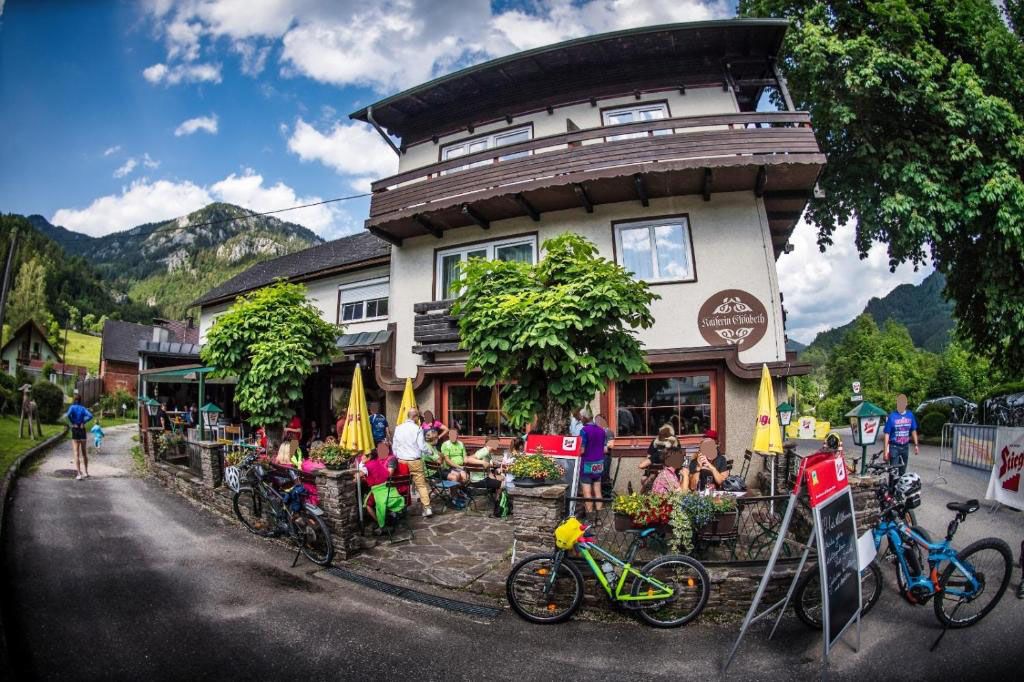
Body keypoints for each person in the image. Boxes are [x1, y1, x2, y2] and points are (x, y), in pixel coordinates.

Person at [391, 408, 433, 517]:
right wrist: (430, 452)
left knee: (402, 485)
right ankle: (427, 508)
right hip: (415, 461)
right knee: (421, 486)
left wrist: (397, 457)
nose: (419, 419)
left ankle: (400, 508)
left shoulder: (398, 428)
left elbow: (394, 446)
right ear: (414, 417)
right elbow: (422, 446)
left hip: (402, 461)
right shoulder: (417, 429)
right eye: (418, 417)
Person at [359, 445, 403, 529]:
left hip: (386, 491)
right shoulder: (377, 461)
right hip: (389, 489)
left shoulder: (391, 459)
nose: (361, 456)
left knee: (367, 503)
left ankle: (380, 523)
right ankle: (386, 517)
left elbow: (389, 474)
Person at [578, 409, 606, 514]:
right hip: (599, 464)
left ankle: (590, 516)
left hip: (587, 465)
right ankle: (599, 517)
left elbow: (582, 450)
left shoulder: (584, 430)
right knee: (598, 490)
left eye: (581, 417)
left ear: (585, 418)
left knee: (587, 492)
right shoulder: (601, 430)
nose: (580, 419)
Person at [884, 394, 919, 476]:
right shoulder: (892, 416)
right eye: (899, 403)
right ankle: (892, 488)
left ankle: (900, 488)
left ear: (906, 404)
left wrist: (916, 445)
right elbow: (887, 434)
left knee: (903, 471)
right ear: (897, 404)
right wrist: (885, 451)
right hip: (894, 447)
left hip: (905, 447)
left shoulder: (910, 415)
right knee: (893, 471)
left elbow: (913, 430)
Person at [66, 396, 93, 480]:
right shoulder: (83, 408)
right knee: (84, 453)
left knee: (76, 453)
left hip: (75, 429)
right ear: (81, 401)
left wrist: (73, 422)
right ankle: (86, 472)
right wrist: (84, 422)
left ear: (74, 400)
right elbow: (90, 416)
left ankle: (78, 474)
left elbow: (68, 415)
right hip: (82, 429)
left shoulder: (72, 407)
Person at [595, 414, 614, 493]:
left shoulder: (608, 431)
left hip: (605, 458)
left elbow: (609, 448)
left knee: (603, 478)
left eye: (597, 421)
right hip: (597, 459)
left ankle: (604, 494)